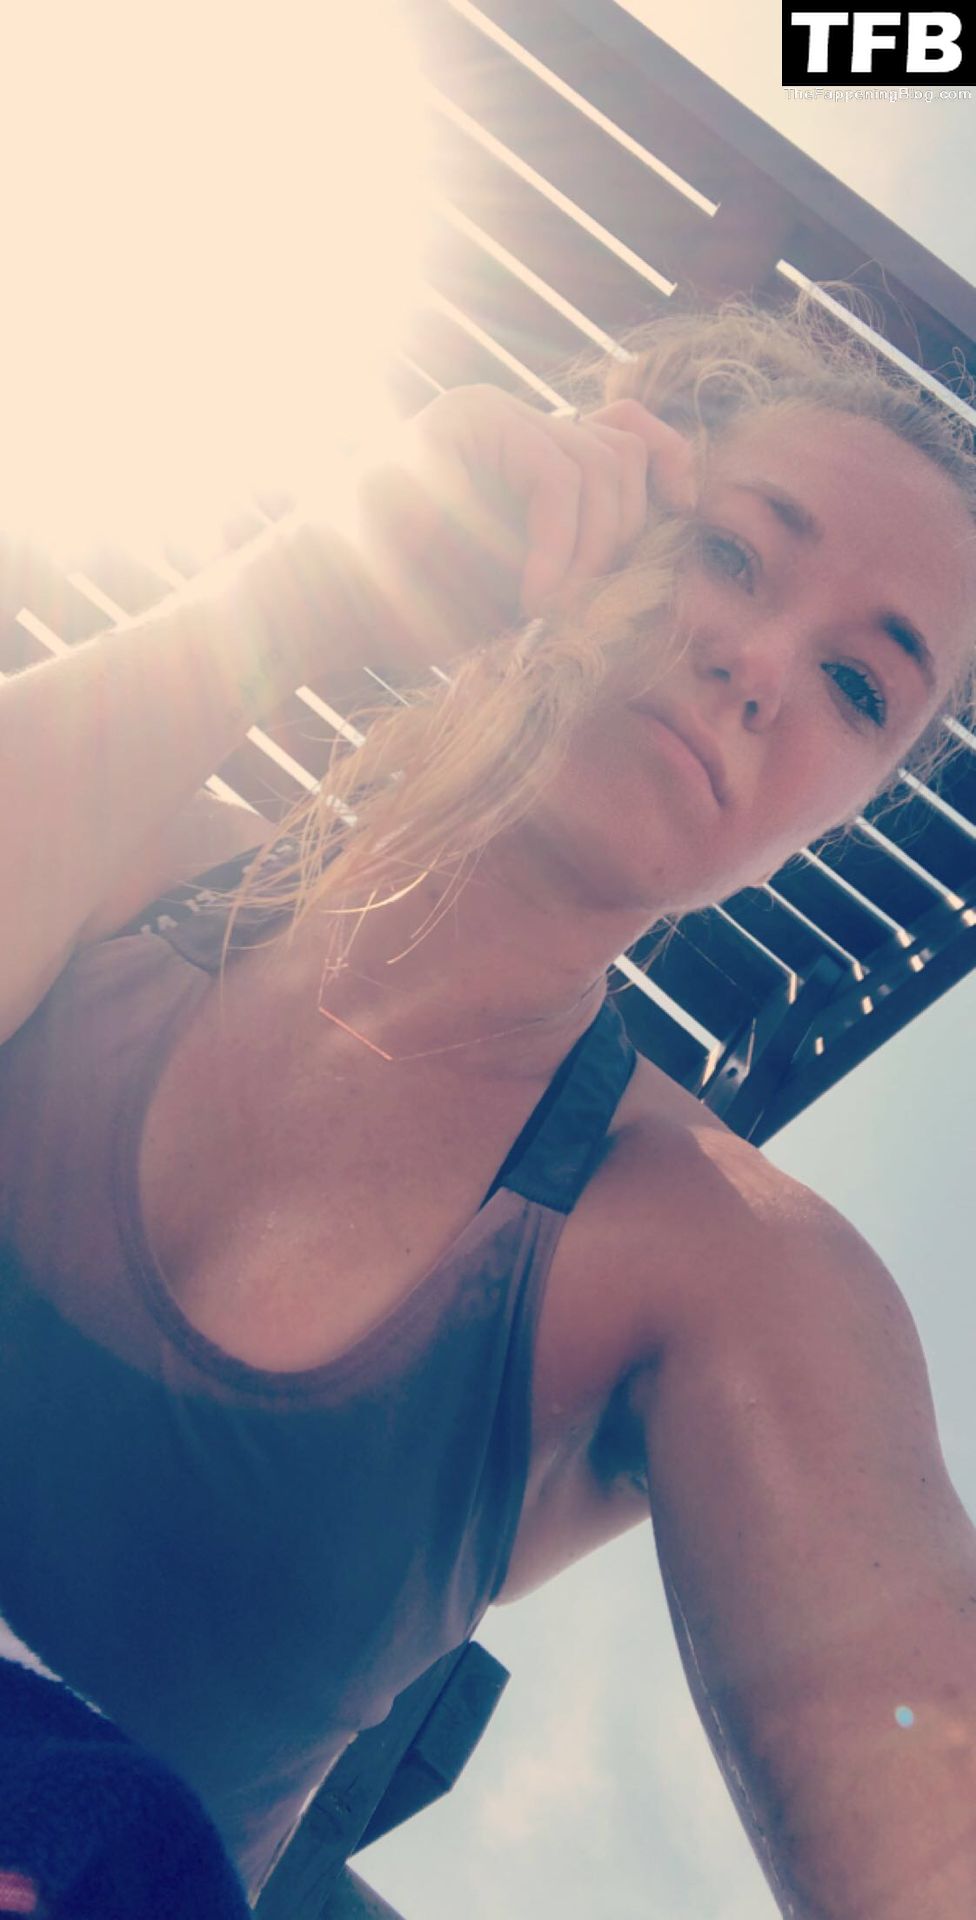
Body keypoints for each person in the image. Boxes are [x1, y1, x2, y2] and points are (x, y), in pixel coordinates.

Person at [1, 291, 975, 1917]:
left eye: (861, 691)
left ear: (849, 808)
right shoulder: (133, 866)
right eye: (733, 552)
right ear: (590, 505)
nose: (758, 666)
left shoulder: (721, 1263)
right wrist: (315, 584)